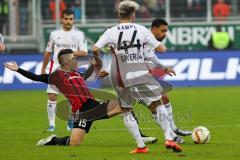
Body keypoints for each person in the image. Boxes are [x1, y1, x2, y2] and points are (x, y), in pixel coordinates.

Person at [4, 49, 150, 153]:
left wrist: (93, 66)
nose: (76, 60)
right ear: (66, 61)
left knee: (124, 106)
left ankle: (141, 141)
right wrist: (18, 70)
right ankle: (53, 140)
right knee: (75, 143)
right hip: (81, 112)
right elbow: (37, 77)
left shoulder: (76, 73)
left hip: (93, 105)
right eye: (74, 59)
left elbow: (85, 76)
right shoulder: (57, 76)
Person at [92, 1, 182, 153]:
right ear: (133, 15)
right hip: (141, 73)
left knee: (125, 110)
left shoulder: (110, 32)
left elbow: (95, 48)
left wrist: (99, 63)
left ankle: (141, 146)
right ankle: (168, 137)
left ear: (119, 14)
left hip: (121, 76)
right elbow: (162, 49)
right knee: (158, 102)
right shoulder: (141, 29)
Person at [41, 9, 88, 132]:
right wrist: (43, 68)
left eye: (70, 19)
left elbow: (84, 51)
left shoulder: (79, 34)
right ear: (62, 19)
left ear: (73, 20)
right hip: (56, 68)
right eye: (66, 19)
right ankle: (51, 125)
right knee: (52, 95)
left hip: (71, 69)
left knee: (73, 98)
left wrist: (68, 53)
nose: (68, 21)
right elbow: (48, 52)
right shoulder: (54, 34)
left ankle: (71, 120)